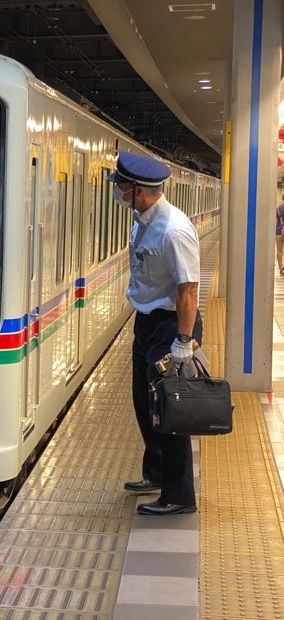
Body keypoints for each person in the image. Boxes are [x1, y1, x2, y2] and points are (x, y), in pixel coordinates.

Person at [110, 151, 203, 516]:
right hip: (148, 322)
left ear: (140, 190)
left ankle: (179, 495)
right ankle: (155, 474)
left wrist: (183, 342)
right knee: (145, 402)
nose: (118, 190)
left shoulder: (174, 230)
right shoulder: (142, 219)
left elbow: (188, 291)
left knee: (167, 410)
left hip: (170, 325)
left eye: (122, 185)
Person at [276, 194, 284, 276]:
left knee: (279, 250)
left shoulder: (279, 207)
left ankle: (280, 268)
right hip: (281, 230)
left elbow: (277, 220)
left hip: (278, 231)